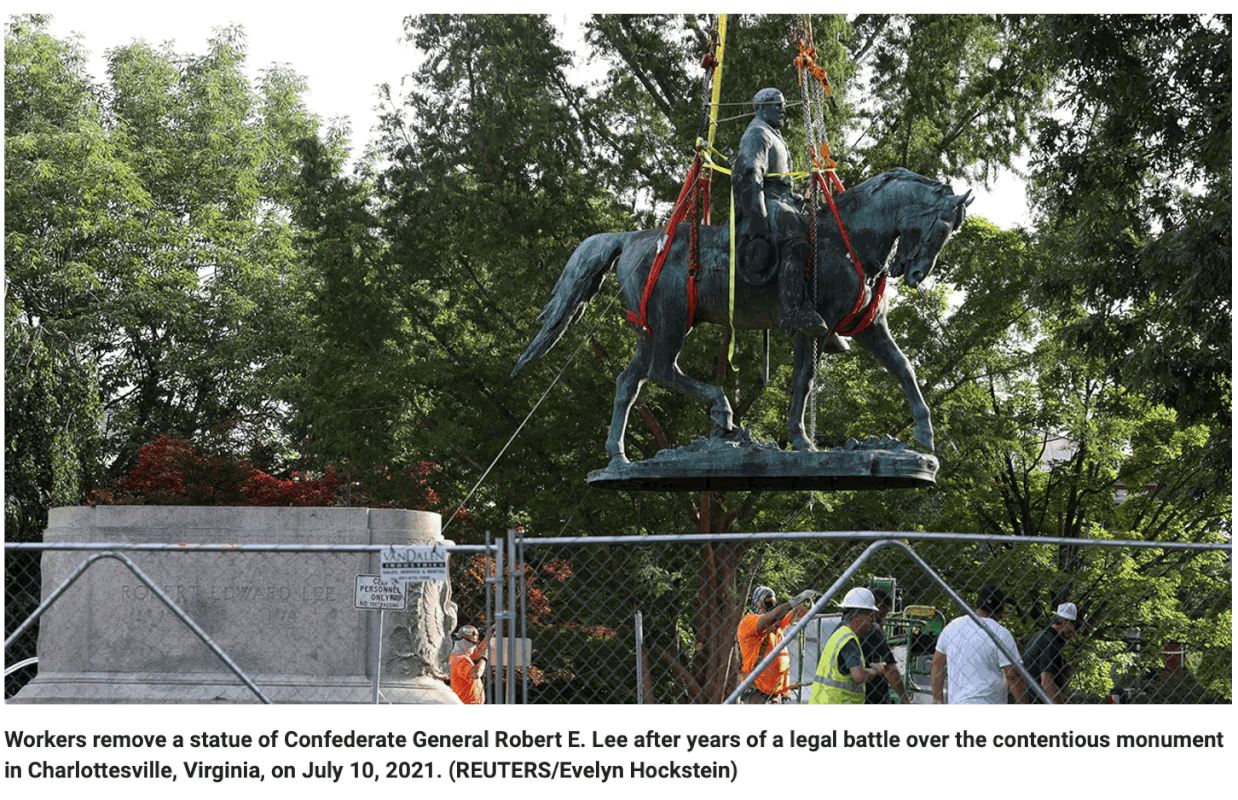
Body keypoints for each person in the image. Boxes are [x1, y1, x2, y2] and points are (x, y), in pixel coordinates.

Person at [732, 87, 846, 346]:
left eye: (783, 104)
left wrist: (799, 200)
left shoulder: (774, 135)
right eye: (777, 104)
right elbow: (748, 174)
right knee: (796, 240)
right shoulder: (758, 134)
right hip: (766, 201)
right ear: (762, 107)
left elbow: (783, 182)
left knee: (822, 231)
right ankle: (792, 312)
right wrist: (758, 215)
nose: (783, 109)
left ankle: (823, 310)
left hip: (782, 199)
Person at [931, 585, 1028, 704]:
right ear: (1003, 608)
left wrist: (938, 698)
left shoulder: (952, 627)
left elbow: (937, 664)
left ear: (976, 603)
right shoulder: (1001, 633)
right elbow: (1012, 675)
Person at [737, 584, 818, 703]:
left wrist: (806, 604)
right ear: (757, 603)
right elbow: (772, 617)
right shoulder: (749, 621)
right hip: (756, 688)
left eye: (773, 602)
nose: (771, 605)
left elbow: (795, 613)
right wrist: (794, 601)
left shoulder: (776, 624)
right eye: (768, 602)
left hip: (775, 691)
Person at [808, 587, 889, 704]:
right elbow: (859, 676)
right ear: (857, 618)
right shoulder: (849, 640)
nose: (873, 619)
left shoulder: (840, 634)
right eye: (870, 615)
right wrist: (876, 670)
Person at [861, 587, 914, 704]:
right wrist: (904, 698)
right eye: (884, 614)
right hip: (873, 697)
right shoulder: (873, 629)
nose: (884, 619)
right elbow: (890, 668)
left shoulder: (846, 627)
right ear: (879, 607)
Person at [1023, 602, 1080, 704]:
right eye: (1076, 627)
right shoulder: (1052, 642)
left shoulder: (1038, 636)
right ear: (1065, 622)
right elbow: (1046, 681)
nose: (1076, 633)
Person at [449, 624, 488, 704]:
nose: (473, 646)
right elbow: (476, 673)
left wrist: (489, 635)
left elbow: (479, 651)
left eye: (474, 643)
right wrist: (484, 659)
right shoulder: (459, 659)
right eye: (472, 642)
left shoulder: (460, 655)